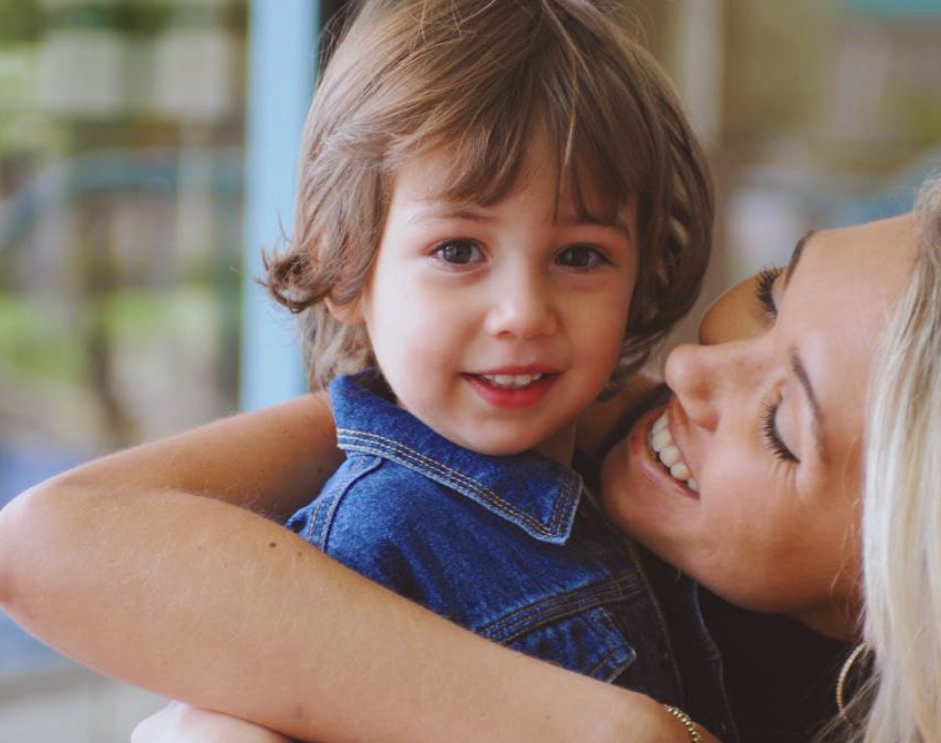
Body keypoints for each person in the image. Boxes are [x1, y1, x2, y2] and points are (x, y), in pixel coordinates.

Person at [0, 165, 941, 742]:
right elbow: (44, 544)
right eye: (774, 290)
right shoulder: (561, 449)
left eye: (784, 425)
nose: (692, 368)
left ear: (913, 597)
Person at [259, 0, 714, 716]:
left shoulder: (648, 488)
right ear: (346, 267)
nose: (523, 313)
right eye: (458, 251)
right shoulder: (365, 552)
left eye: (579, 255)